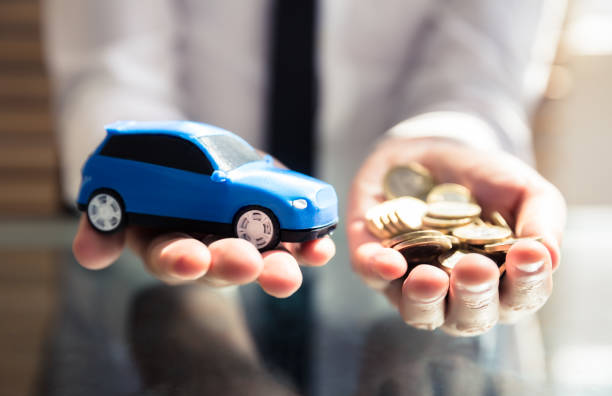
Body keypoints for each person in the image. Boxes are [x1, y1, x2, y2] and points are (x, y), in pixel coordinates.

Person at [44, 0, 565, 346]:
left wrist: (451, 137)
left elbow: (482, 66)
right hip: (150, 313)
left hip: (376, 307)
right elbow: (111, 65)